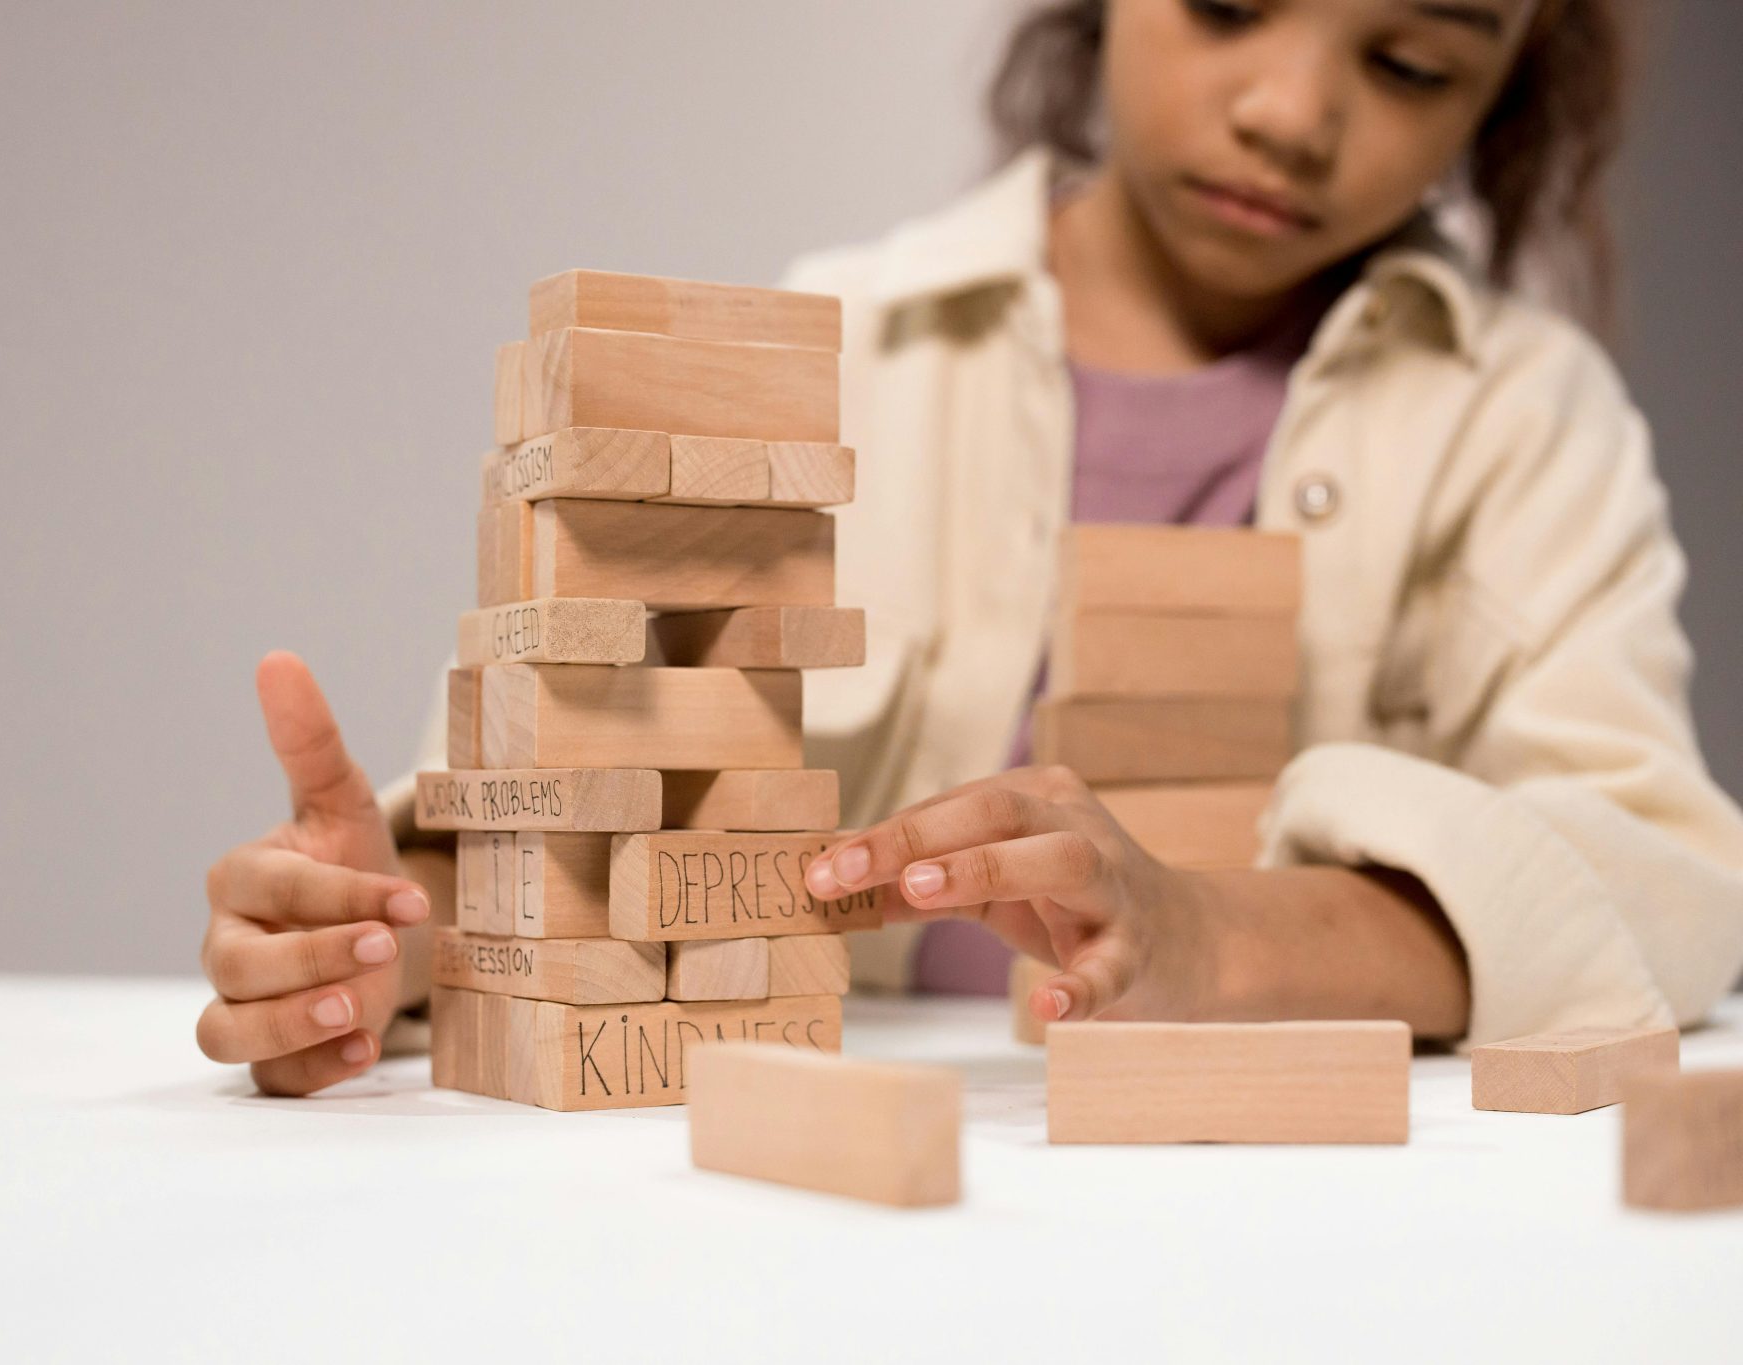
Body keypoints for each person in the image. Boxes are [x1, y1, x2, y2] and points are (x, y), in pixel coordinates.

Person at [196, 0, 1743, 1096]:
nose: (1290, 111)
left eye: (1409, 59)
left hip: (1269, 1220)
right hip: (802, 1194)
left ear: (1502, 95)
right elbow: (567, 815)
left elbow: (1667, 879)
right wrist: (382, 931)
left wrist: (1227, 936)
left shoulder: (1528, 422)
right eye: (1224, 6)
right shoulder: (834, 345)